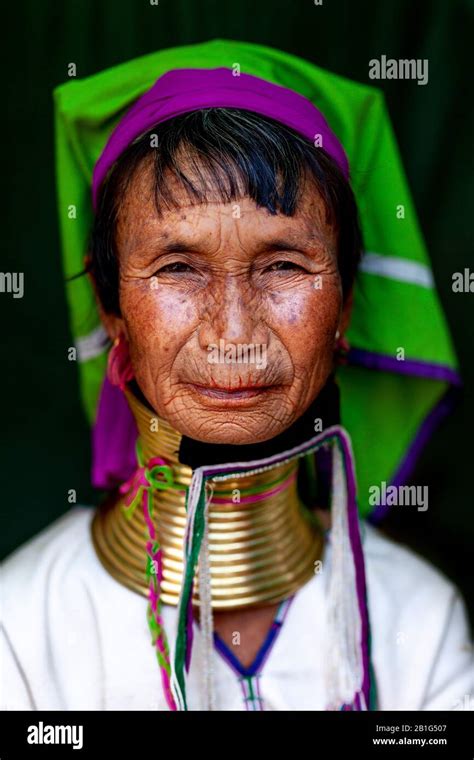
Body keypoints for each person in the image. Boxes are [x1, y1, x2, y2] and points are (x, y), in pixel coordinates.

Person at [1, 39, 472, 712]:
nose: (234, 333)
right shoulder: (22, 627)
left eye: (284, 265)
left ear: (343, 306)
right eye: (178, 268)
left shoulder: (418, 622)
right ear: (112, 310)